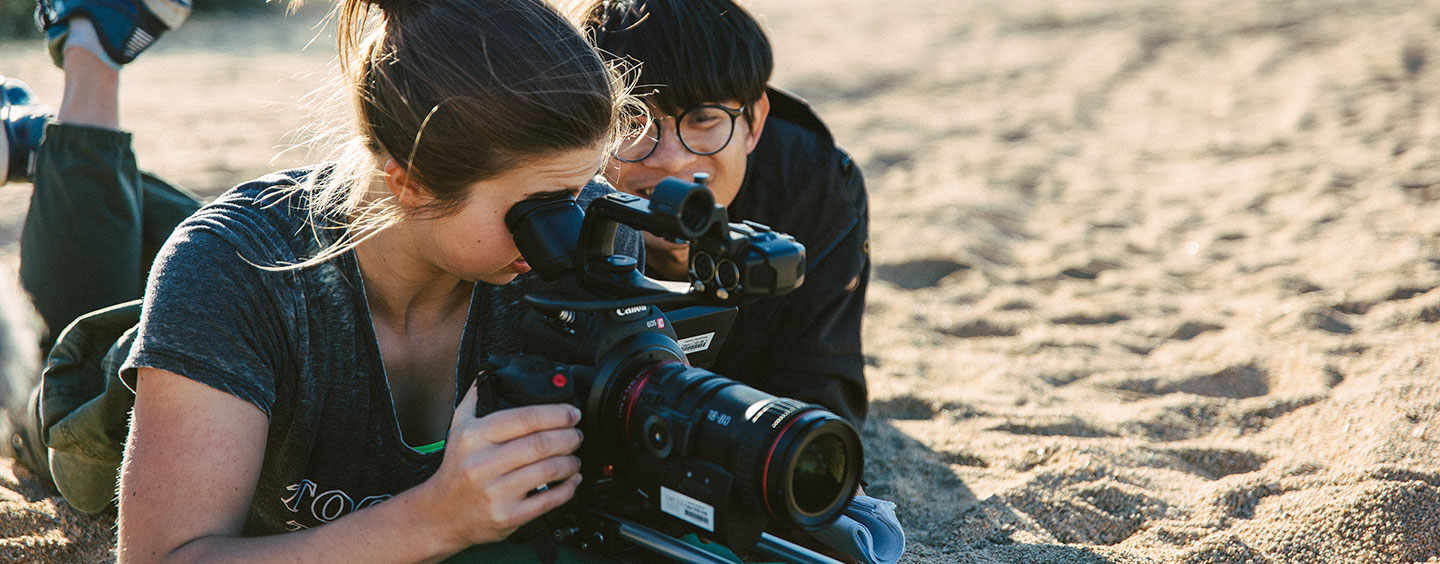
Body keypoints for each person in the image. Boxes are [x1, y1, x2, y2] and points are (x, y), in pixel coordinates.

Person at [2, 0, 655, 561]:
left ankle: (55, 154)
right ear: (409, 178)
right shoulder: (231, 267)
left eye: (584, 188)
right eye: (541, 209)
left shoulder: (589, 233)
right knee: (98, 304)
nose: (573, 233)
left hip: (321, 254)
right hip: (102, 404)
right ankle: (89, 63)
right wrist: (435, 518)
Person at [580, 0, 872, 428]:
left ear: (754, 122)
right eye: (631, 119)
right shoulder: (546, 196)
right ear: (581, 127)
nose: (673, 159)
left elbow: (821, 390)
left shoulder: (813, 188)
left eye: (702, 118)